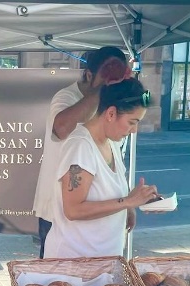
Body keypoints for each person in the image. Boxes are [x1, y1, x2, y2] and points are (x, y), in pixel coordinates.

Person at [43, 78, 158, 259]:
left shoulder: (111, 143)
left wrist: (132, 204)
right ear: (111, 113)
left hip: (101, 263)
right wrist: (127, 202)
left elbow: (108, 195)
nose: (134, 130)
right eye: (132, 122)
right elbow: (73, 210)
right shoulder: (80, 146)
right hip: (73, 266)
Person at [33, 46, 129, 258]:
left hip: (93, 214)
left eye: (117, 77)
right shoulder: (66, 97)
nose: (113, 84)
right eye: (107, 76)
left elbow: (145, 103)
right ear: (89, 75)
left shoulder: (111, 105)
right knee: (56, 280)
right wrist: (101, 91)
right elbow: (62, 127)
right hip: (57, 211)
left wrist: (127, 205)